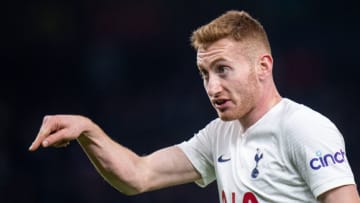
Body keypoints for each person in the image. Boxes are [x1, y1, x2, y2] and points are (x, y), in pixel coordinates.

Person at [29, 10, 360, 202]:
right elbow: (138, 176)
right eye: (205, 74)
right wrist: (88, 131)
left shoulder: (303, 128)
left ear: (263, 66)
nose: (213, 87)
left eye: (223, 70)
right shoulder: (220, 134)